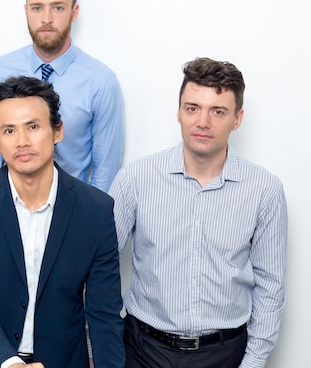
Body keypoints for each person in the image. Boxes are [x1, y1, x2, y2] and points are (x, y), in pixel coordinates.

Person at [109, 57, 287, 368]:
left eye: (217, 111)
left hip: (224, 355)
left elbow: (270, 286)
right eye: (192, 108)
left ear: (237, 118)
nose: (202, 122)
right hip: (142, 350)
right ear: (178, 112)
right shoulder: (136, 178)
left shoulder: (264, 189)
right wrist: (100, 345)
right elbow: (101, 265)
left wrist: (254, 362)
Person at [0, 76, 125, 368]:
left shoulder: (96, 210)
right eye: (9, 130)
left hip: (60, 360)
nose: (23, 141)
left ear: (58, 131)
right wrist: (9, 362)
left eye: (33, 127)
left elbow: (104, 312)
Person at [0, 0, 124, 192]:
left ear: (74, 12)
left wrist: (87, 219)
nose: (46, 19)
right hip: (6, 207)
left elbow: (106, 169)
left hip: (71, 211)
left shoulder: (101, 83)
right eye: (37, 8)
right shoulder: (0, 71)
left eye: (58, 8)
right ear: (26, 11)